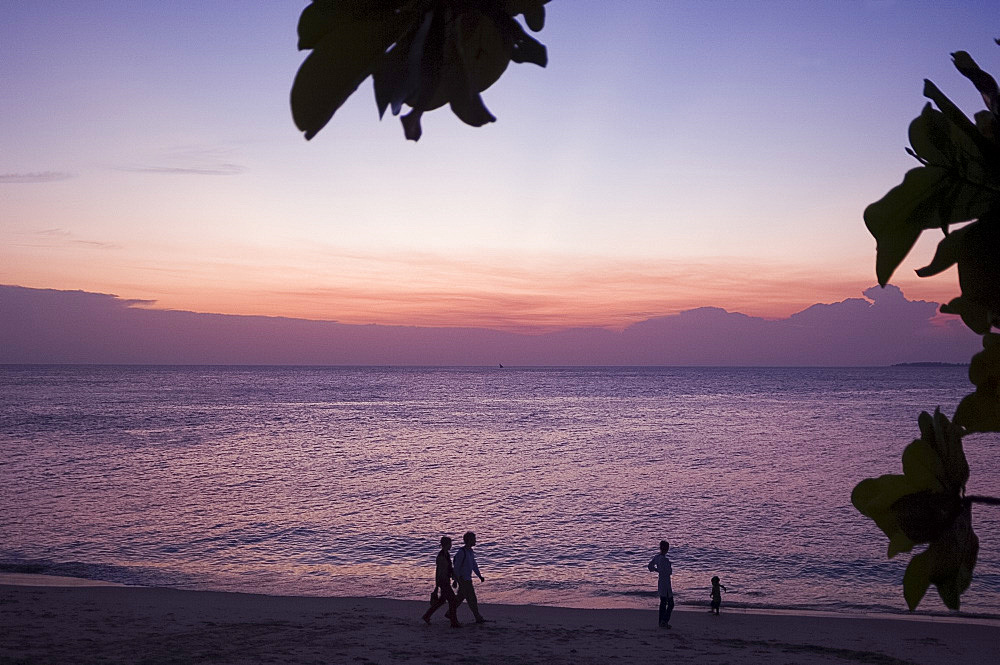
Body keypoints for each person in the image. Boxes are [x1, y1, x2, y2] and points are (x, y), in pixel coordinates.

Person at [422, 536, 461, 627]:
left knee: (442, 601)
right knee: (453, 600)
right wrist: (438, 585)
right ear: (445, 545)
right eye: (450, 544)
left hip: (446, 581)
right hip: (443, 582)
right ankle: (454, 622)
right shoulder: (441, 556)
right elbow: (439, 571)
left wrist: (454, 579)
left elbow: (449, 569)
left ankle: (427, 616)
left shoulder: (446, 554)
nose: (451, 545)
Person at [453, 531, 486, 624]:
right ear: (469, 540)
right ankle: (478, 617)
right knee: (472, 599)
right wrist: (455, 580)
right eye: (474, 539)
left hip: (467, 578)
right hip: (463, 579)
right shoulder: (461, 552)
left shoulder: (470, 552)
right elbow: (456, 567)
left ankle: (449, 612)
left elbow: (474, 565)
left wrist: (479, 576)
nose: (475, 541)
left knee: (460, 598)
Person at [647, 540, 674, 628]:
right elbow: (669, 572)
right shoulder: (664, 560)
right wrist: (659, 570)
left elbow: (650, 566)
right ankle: (664, 621)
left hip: (661, 581)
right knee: (670, 603)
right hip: (666, 582)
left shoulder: (657, 557)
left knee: (663, 602)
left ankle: (661, 621)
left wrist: (656, 570)